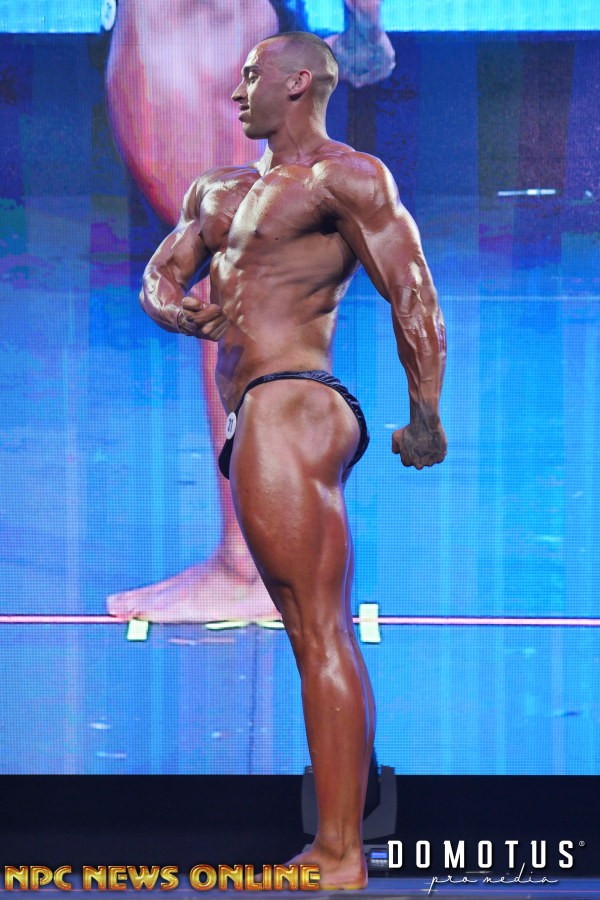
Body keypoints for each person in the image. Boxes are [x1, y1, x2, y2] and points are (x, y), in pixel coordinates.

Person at [131, 31, 447, 889]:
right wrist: (176, 310)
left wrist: (425, 414)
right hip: (258, 416)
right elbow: (162, 274)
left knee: (317, 631)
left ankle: (339, 854)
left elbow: (412, 292)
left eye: (251, 77)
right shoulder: (220, 189)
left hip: (291, 401)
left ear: (299, 83)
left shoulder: (346, 179)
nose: (237, 93)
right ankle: (345, 835)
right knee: (315, 628)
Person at [105, 0, 395, 623]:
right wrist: (364, 30)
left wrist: (365, 23)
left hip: (186, 47)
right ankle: (275, 553)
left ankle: (250, 566)